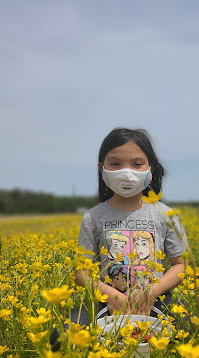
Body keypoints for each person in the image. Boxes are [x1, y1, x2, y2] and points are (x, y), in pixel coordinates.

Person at [67, 127, 188, 327]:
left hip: (156, 300)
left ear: (151, 168)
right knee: (63, 335)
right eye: (115, 164)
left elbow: (180, 264)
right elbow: (82, 272)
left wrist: (152, 292)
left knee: (194, 330)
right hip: (106, 300)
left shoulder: (165, 215)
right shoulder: (92, 217)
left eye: (137, 164)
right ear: (101, 168)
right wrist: (112, 296)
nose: (126, 171)